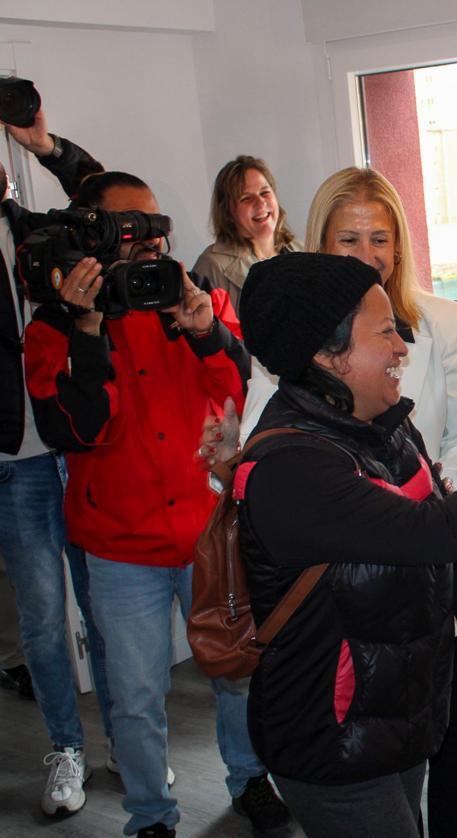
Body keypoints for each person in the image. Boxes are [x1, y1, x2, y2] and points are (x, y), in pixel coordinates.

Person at [234, 251, 457, 838]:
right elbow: (437, 533)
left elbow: (449, 532)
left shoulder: (383, 424)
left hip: (390, 722)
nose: (403, 346)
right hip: (331, 741)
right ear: (326, 354)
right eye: (384, 332)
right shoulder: (292, 466)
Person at [227, 167, 457, 836]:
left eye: (380, 237)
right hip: (356, 604)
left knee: (452, 760)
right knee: (376, 773)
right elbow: (266, 451)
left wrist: (435, 508)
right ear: (321, 242)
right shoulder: (298, 349)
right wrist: (409, 516)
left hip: (444, 566)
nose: (368, 254)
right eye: (348, 238)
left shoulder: (439, 319)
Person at [22, 171, 292, 838]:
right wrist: (88, 328)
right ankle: (150, 816)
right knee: (137, 696)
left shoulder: (186, 294)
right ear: (93, 236)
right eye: (127, 226)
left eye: (153, 223)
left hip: (206, 529)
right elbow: (72, 430)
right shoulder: (55, 324)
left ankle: (250, 778)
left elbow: (237, 390)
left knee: (235, 673)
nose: (147, 238)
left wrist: (204, 331)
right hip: (120, 545)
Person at [1, 105, 115, 817]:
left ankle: (125, 745)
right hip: (18, 462)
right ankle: (66, 748)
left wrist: (44, 144)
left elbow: (108, 198)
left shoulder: (35, 228)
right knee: (44, 621)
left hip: (82, 449)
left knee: (107, 611)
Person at [192, 155, 300, 312]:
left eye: (264, 193)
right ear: (228, 212)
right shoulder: (211, 266)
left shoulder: (303, 248)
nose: (260, 202)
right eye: (246, 198)